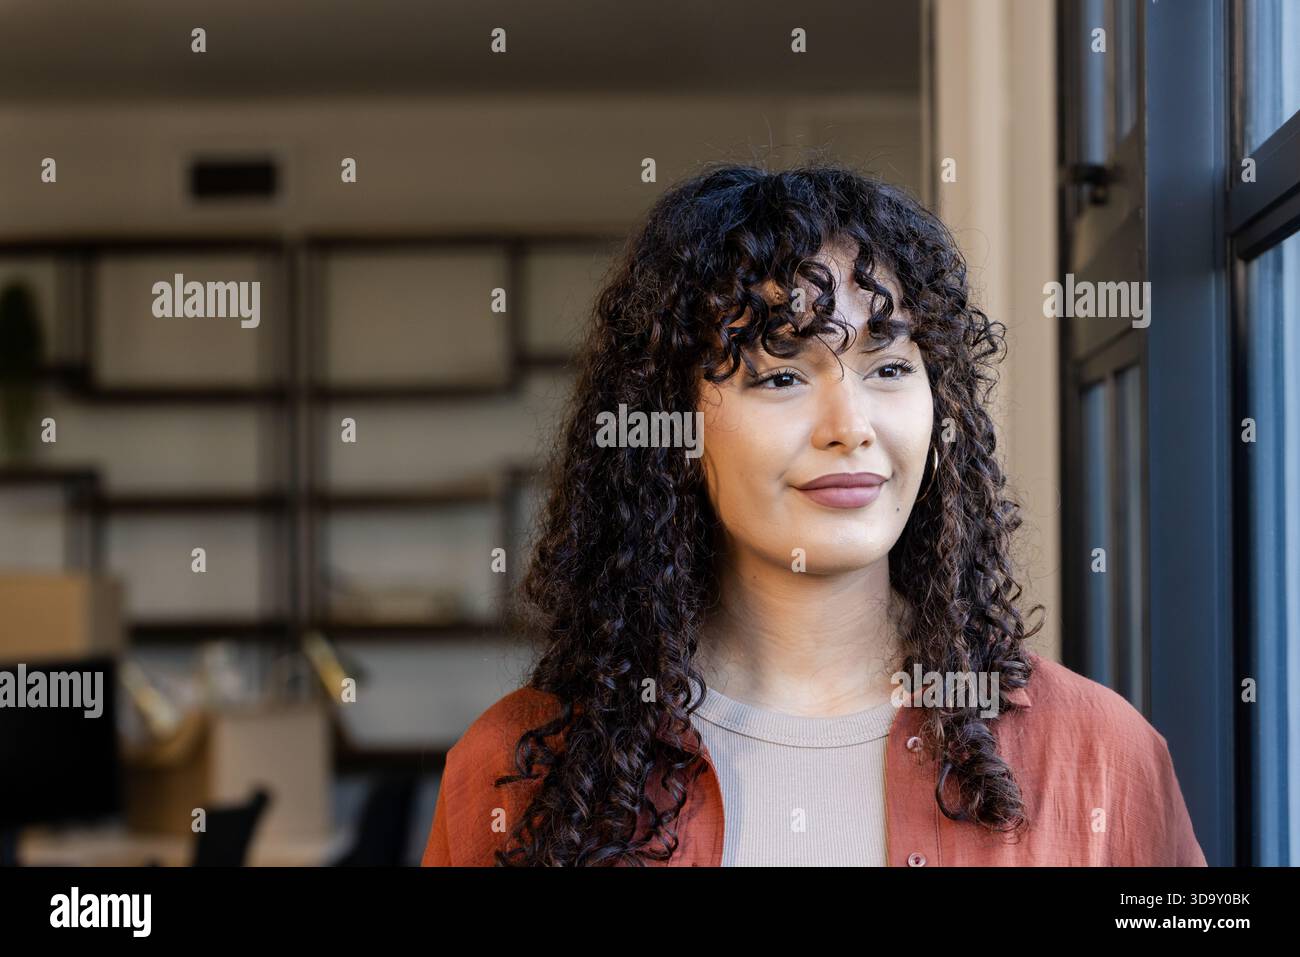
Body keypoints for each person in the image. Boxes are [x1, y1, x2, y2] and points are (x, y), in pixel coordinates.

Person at [421, 163, 1206, 867]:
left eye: (890, 366)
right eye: (780, 376)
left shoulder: (1104, 757)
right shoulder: (511, 774)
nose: (850, 424)